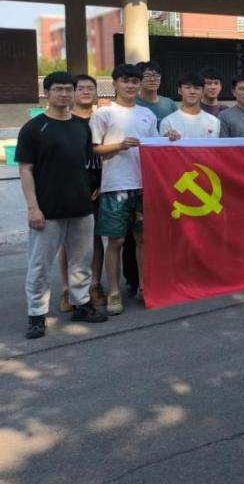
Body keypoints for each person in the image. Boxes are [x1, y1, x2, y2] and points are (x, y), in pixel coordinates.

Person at [17, 72, 108, 339]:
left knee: (81, 262)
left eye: (69, 89)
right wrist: (33, 207)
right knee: (39, 265)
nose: (64, 94)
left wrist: (94, 186)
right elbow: (25, 169)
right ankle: (36, 315)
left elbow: (84, 164)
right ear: (47, 93)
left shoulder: (81, 127)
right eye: (58, 89)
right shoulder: (33, 129)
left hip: (81, 207)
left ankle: (81, 304)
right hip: (47, 210)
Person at [90, 63, 159, 314]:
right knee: (116, 240)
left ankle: (143, 286)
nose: (130, 85)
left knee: (143, 239)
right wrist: (119, 145)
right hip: (115, 186)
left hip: (144, 186)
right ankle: (114, 291)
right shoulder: (103, 114)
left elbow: (156, 147)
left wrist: (171, 138)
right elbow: (95, 149)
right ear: (115, 84)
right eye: (125, 81)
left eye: (134, 81)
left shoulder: (147, 114)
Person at [54, 74, 105, 312]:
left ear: (96, 92)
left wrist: (103, 184)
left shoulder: (102, 118)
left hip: (99, 185)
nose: (85, 91)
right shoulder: (64, 120)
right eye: (81, 88)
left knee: (95, 238)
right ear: (73, 92)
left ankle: (94, 285)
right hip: (71, 187)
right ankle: (67, 289)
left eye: (90, 88)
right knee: (68, 241)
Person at [159, 73, 221, 139]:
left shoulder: (214, 122)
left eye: (196, 88)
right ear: (179, 90)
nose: (192, 92)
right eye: (187, 87)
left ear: (203, 91)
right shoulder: (168, 122)